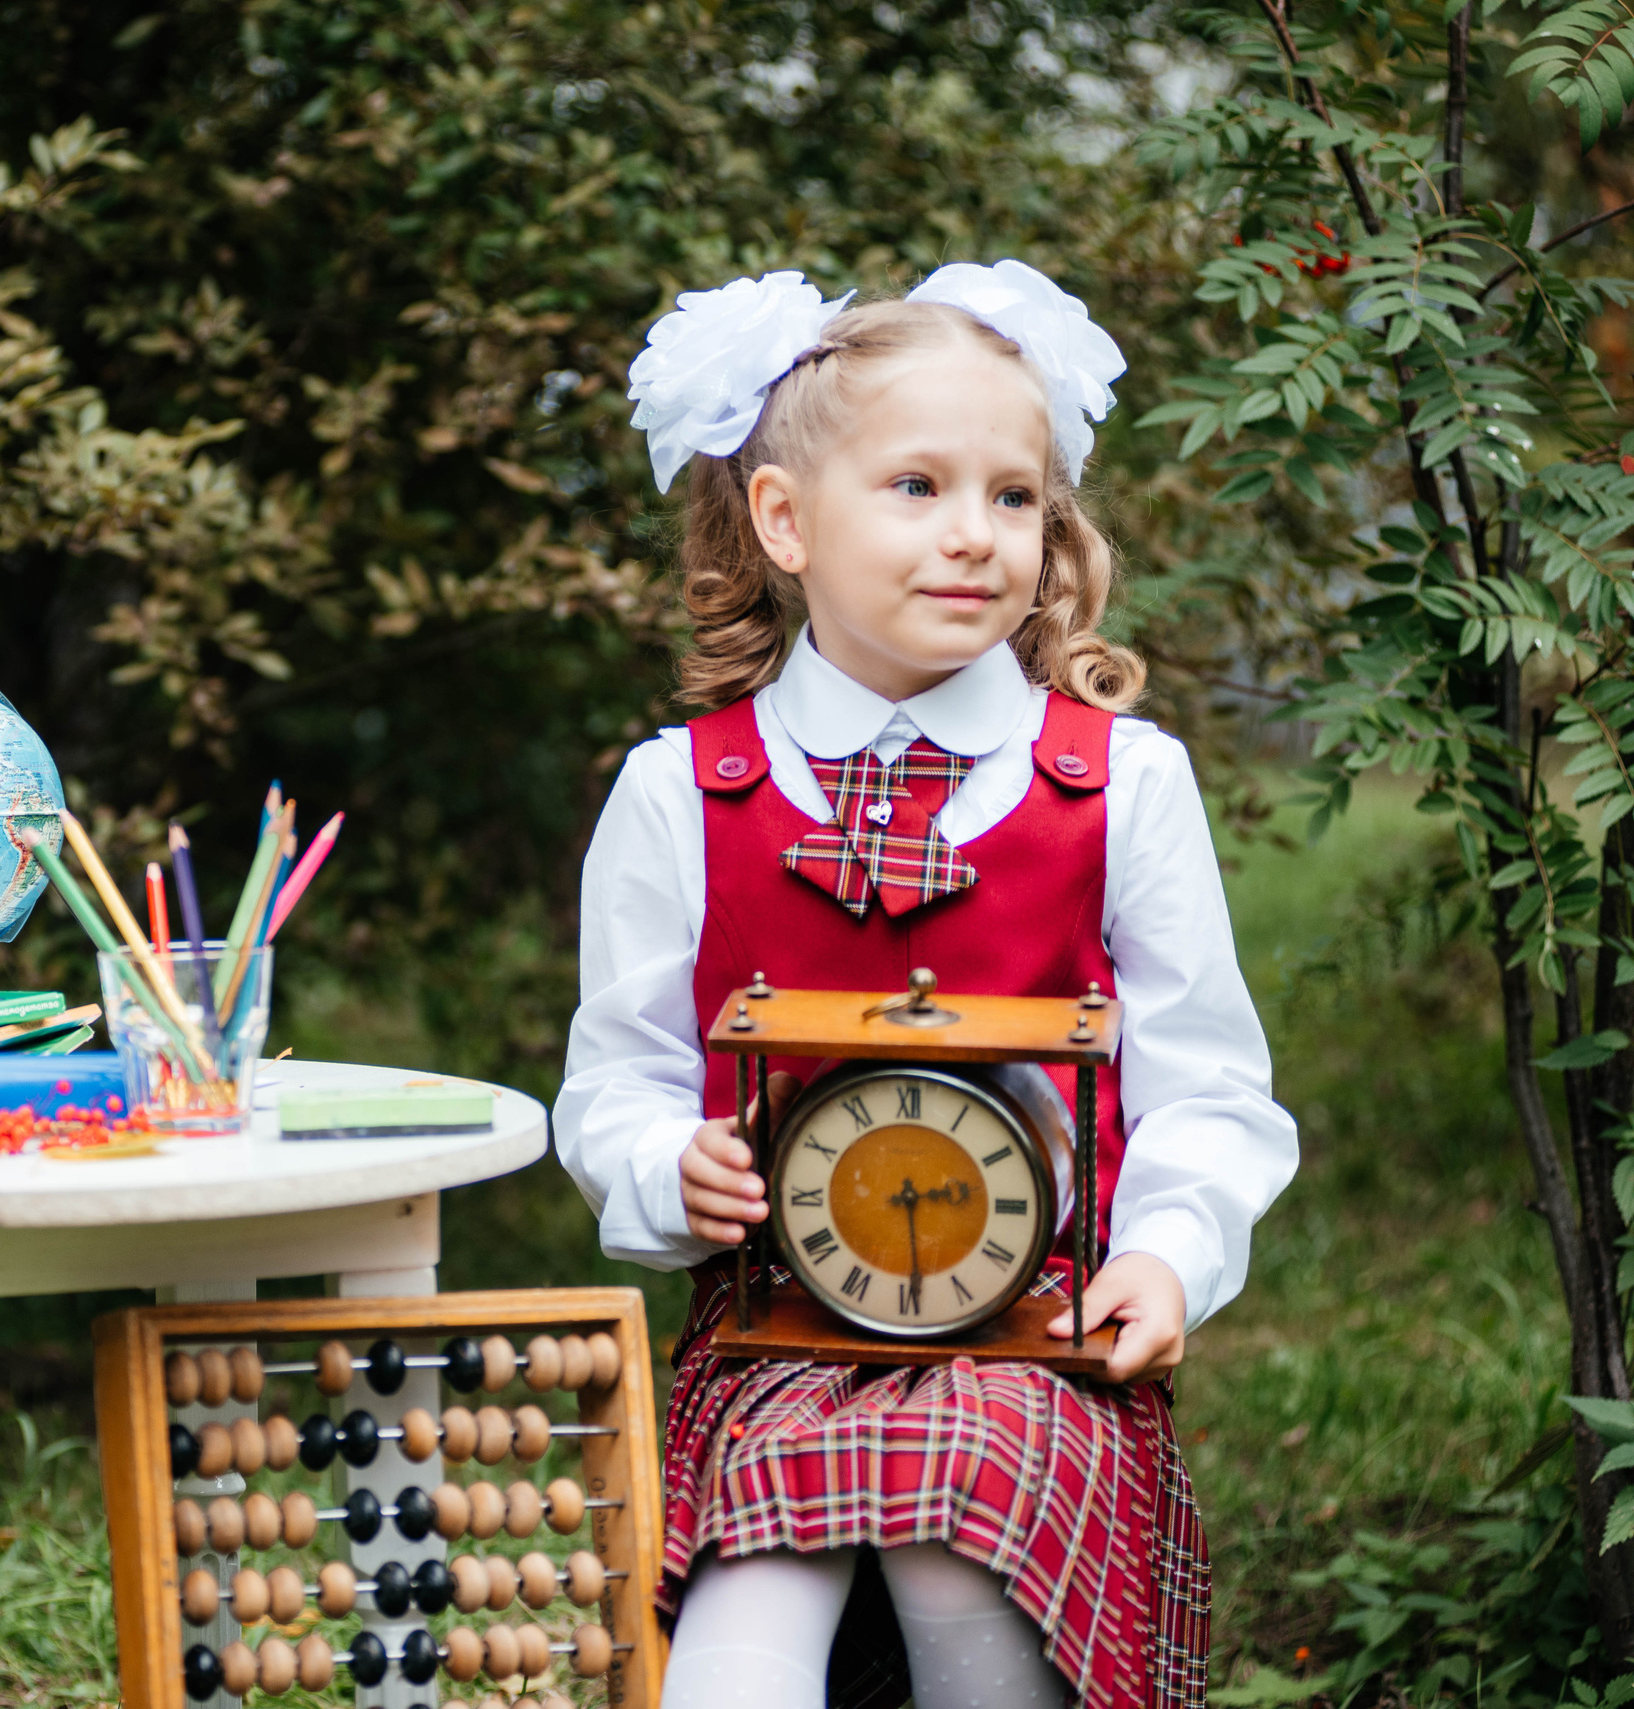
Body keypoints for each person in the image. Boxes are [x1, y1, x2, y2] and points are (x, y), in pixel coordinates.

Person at [556, 262, 1297, 1709]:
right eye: (917, 486)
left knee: (971, 1543)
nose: (976, 537)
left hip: (1043, 1338)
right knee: (736, 1640)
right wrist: (665, 1163)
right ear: (785, 520)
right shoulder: (681, 795)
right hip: (779, 1334)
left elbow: (1207, 1082)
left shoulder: (1120, 783)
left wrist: (1169, 1253)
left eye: (1014, 498)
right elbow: (619, 1079)